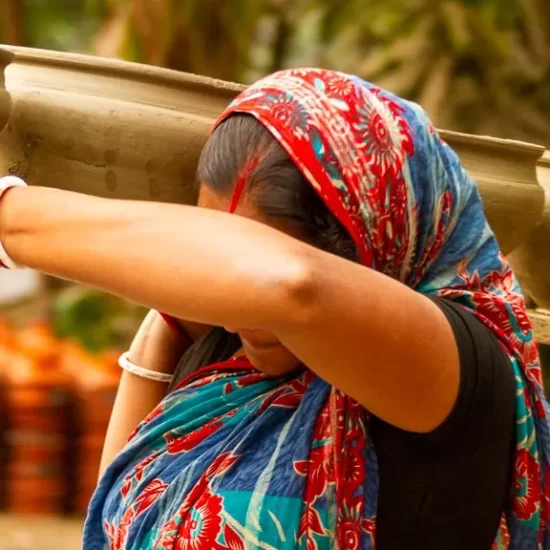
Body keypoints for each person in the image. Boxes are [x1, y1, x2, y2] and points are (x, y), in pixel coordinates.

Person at [0, 69, 547, 549]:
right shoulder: (223, 358)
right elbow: (113, 520)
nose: (235, 313)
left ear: (373, 239)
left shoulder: (457, 366)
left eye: (233, 262)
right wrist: (163, 332)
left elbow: (290, 284)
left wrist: (9, 216)